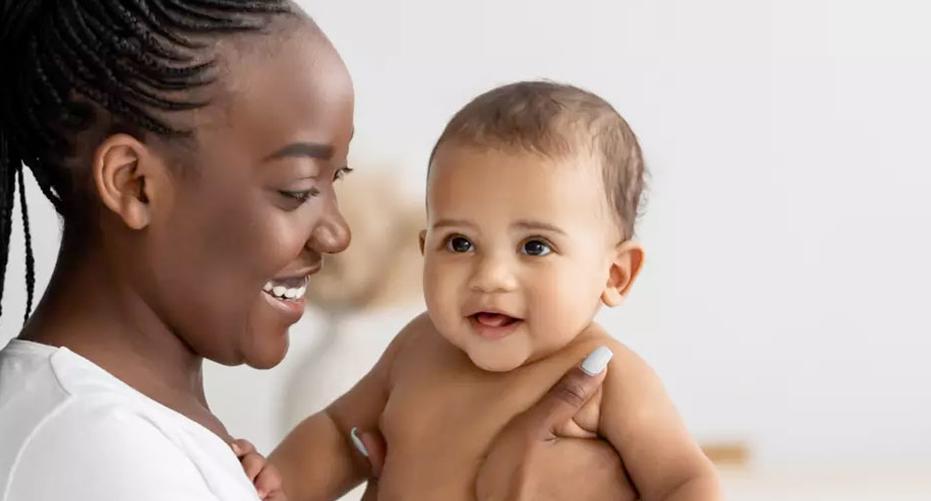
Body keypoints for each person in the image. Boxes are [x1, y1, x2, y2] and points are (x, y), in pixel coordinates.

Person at [0, 1, 634, 500]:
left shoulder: (140, 433)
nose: (337, 230)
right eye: (299, 189)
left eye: (340, 179)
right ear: (134, 183)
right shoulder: (101, 456)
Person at [271, 82, 721, 500]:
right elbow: (337, 433)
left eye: (535, 246)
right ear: (425, 250)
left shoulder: (609, 378)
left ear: (615, 274)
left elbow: (685, 481)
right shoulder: (418, 346)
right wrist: (268, 487)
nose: (490, 276)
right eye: (460, 243)